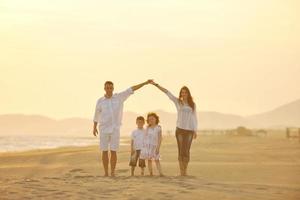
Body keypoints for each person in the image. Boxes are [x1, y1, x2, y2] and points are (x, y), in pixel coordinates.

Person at [93, 80, 152, 176]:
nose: (109, 90)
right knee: (104, 151)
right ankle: (106, 173)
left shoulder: (119, 97)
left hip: (115, 129)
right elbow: (96, 115)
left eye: (111, 88)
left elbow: (132, 89)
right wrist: (94, 127)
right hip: (103, 128)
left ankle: (112, 172)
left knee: (113, 151)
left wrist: (145, 83)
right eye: (107, 88)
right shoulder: (100, 101)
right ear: (104, 88)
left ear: (113, 88)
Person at [151, 81, 197, 176]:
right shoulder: (178, 102)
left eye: (185, 92)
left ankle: (185, 171)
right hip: (180, 130)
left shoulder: (192, 105)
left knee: (186, 151)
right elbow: (167, 92)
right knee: (181, 150)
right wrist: (156, 85)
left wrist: (195, 130)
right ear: (180, 94)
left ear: (188, 94)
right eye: (182, 92)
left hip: (189, 131)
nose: (184, 94)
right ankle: (182, 172)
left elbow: (194, 118)